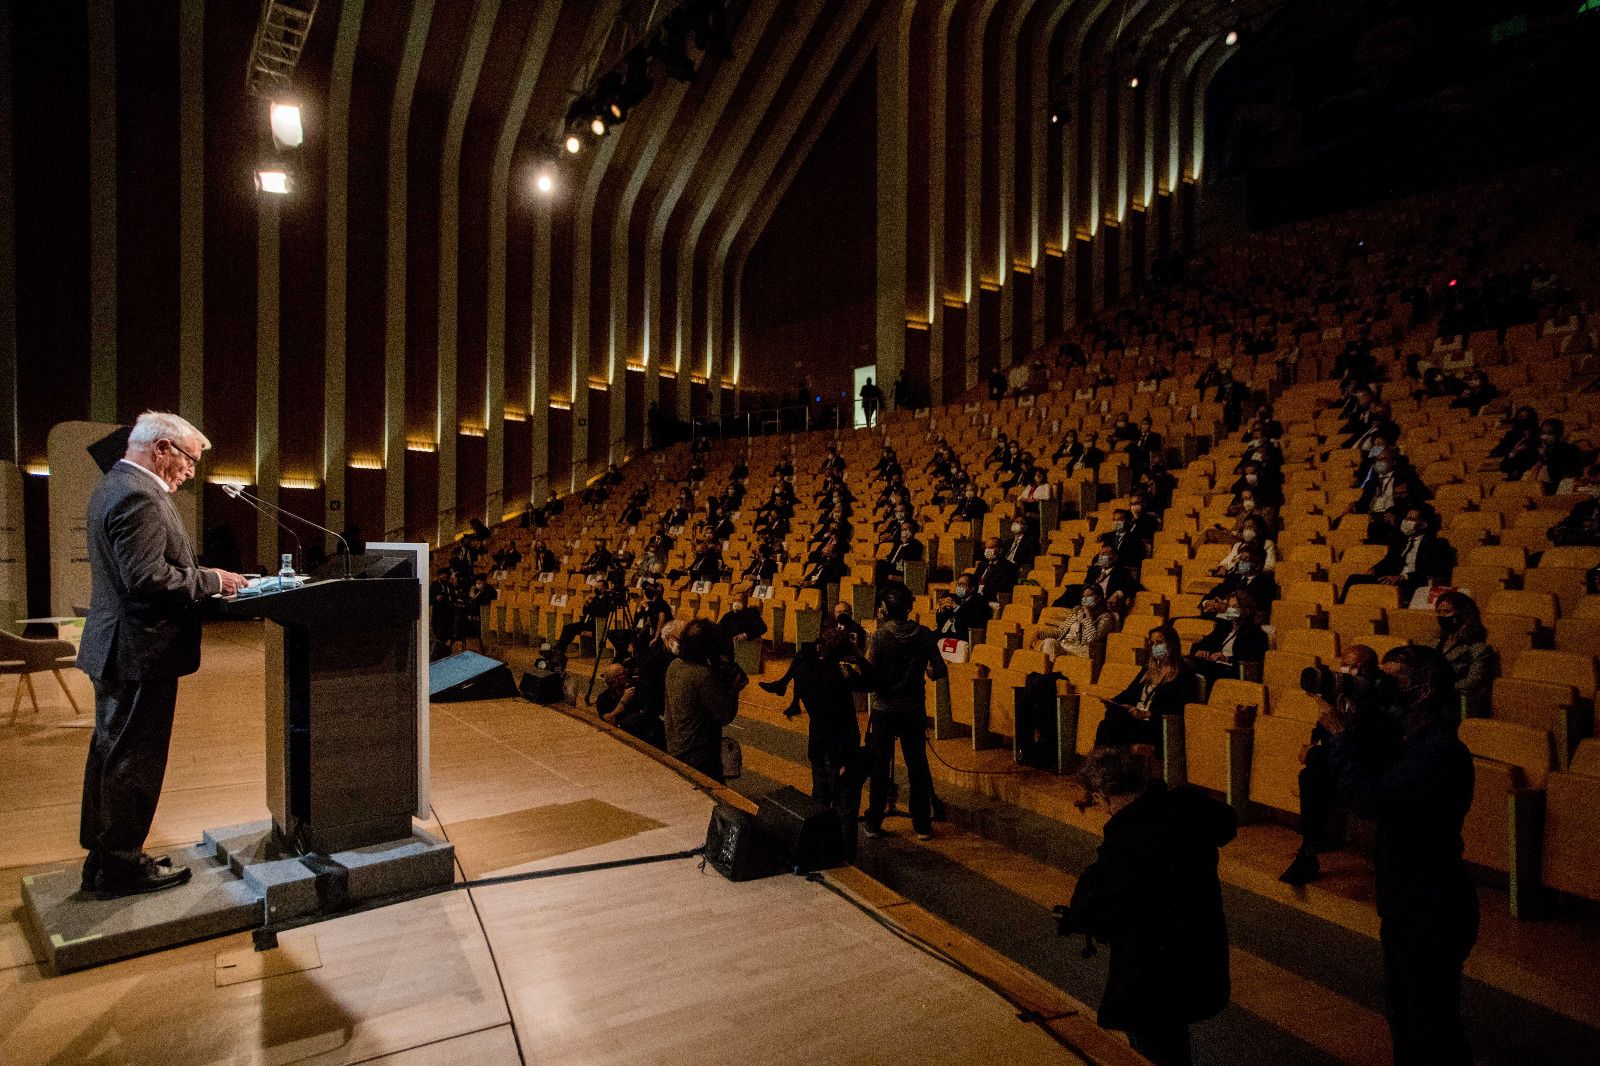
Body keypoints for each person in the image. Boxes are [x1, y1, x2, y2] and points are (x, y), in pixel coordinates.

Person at [77, 411, 249, 897]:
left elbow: (146, 568)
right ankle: (122, 867)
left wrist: (200, 571)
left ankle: (106, 858)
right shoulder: (138, 495)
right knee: (135, 759)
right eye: (190, 460)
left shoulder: (116, 484)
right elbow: (147, 579)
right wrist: (213, 581)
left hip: (120, 648)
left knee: (111, 753)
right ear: (162, 449)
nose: (192, 471)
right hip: (138, 650)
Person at [1322, 645, 1477, 1065]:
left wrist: (1341, 738)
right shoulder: (1402, 738)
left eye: (1391, 681)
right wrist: (1350, 725)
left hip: (1434, 900)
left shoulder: (1437, 748)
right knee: (1405, 1016)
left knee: (1431, 1025)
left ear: (1422, 691)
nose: (1380, 688)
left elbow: (1368, 799)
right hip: (1405, 895)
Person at [1067, 745, 1235, 1066]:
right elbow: (1225, 822)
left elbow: (1089, 911)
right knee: (1174, 1042)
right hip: (1199, 949)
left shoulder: (1127, 841)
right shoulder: (1184, 807)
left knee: (1157, 1049)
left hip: (1152, 972)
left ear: (1104, 796)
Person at [1281, 645, 1381, 886]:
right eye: (1344, 665)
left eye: (1354, 666)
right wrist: (1314, 745)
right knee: (1311, 773)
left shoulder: (1377, 701)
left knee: (1314, 768)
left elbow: (1370, 746)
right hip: (1335, 765)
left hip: (1366, 767)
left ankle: (1310, 846)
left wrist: (1347, 723)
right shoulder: (1335, 695)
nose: (1347, 671)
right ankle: (1309, 847)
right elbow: (1320, 732)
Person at [863, 583, 947, 840]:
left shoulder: (880, 636)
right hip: (913, 708)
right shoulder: (923, 634)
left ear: (886, 609)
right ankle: (922, 824)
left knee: (879, 765)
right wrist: (925, 671)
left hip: (885, 709)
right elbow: (939, 670)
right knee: (917, 765)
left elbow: (870, 674)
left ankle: (874, 822)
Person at [795, 626, 875, 859]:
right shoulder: (840, 674)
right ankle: (845, 860)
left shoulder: (805, 669)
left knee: (819, 801)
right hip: (841, 749)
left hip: (818, 744)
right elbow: (870, 683)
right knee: (845, 810)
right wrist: (860, 657)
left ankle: (817, 853)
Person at [664, 619, 744, 781]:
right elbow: (725, 716)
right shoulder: (702, 675)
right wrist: (734, 689)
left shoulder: (675, 665)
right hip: (698, 754)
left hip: (675, 745)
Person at [1095, 625, 1192, 755]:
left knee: (1112, 726)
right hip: (1136, 718)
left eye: (1159, 642)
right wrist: (1112, 701)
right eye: (1152, 643)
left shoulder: (1183, 674)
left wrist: (1148, 714)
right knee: (1108, 721)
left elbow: (1180, 706)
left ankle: (1107, 768)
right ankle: (1102, 767)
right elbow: (1130, 692)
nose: (1155, 647)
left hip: (1155, 723)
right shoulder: (1148, 669)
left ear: (1171, 645)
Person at [1188, 591, 1268, 687]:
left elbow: (1251, 662)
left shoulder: (1255, 633)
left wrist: (1227, 659)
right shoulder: (1223, 627)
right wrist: (1200, 651)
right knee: (1187, 663)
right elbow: (1205, 643)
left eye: (1235, 607)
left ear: (1246, 609)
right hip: (1215, 666)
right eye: (1229, 606)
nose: (1231, 610)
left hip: (1233, 672)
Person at [1434, 591, 1495, 718]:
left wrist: (1442, 688)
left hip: (1456, 702)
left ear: (1463, 615)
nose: (1441, 616)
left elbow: (1473, 680)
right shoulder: (1434, 642)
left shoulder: (1479, 649)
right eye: (1439, 612)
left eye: (1446, 612)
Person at [1036, 587, 1113, 677]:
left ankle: (1046, 677)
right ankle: (1044, 676)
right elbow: (1060, 632)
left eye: (1089, 597)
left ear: (1099, 598)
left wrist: (1087, 616)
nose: (1085, 600)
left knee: (1050, 643)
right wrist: (1040, 634)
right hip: (1064, 646)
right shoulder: (1076, 612)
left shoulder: (1105, 618)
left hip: (1081, 652)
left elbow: (1092, 638)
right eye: (1083, 597)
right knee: (1048, 642)